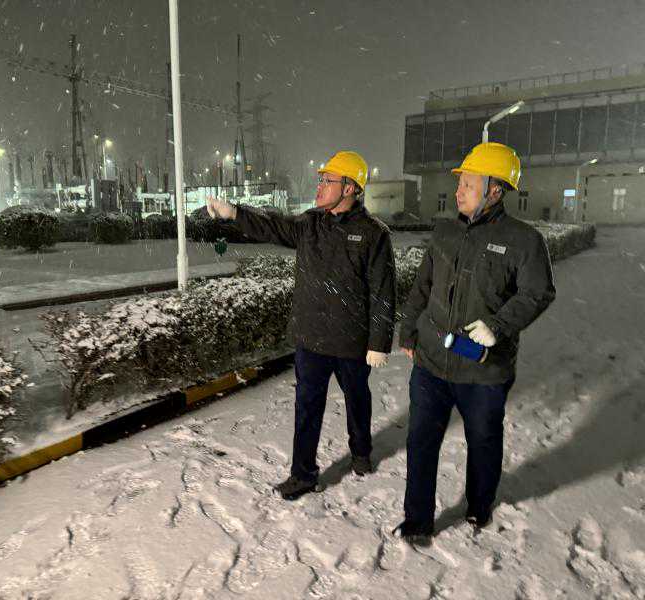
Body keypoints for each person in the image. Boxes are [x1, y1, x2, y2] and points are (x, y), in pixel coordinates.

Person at [206, 151, 397, 500]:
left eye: (328, 181)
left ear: (350, 188)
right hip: (311, 339)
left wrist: (379, 342)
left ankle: (361, 451)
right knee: (307, 408)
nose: (320, 186)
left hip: (351, 342)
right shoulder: (310, 224)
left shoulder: (373, 234)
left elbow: (383, 291)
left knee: (357, 399)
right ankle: (303, 474)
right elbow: (271, 225)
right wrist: (234, 212)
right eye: (321, 179)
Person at [395, 142, 556, 543]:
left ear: (495, 190)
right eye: (460, 183)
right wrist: (409, 329)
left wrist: (499, 326)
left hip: (484, 370)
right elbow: (423, 285)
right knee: (420, 440)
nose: (459, 191)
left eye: (469, 184)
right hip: (432, 361)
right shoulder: (445, 231)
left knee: (483, 442)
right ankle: (417, 519)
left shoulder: (523, 240)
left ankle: (479, 505)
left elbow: (538, 292)